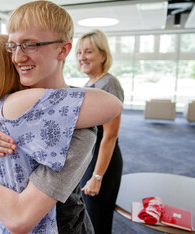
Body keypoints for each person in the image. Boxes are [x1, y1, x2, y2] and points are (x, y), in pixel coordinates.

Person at [0, 1, 110, 233]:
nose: (17, 57)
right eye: (13, 46)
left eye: (30, 45)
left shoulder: (78, 122)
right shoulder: (0, 109)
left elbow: (20, 217)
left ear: (63, 50)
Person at [77, 29, 124, 234]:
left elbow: (110, 136)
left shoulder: (109, 84)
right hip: (89, 158)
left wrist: (97, 177)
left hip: (102, 162)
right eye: (79, 53)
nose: (82, 57)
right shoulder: (89, 84)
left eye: (88, 52)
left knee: (98, 222)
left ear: (103, 56)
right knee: (87, 218)